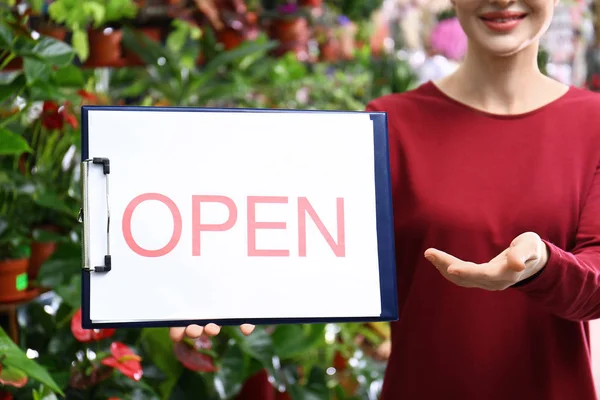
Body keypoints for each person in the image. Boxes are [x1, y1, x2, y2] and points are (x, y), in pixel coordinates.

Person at [171, 0, 600, 398]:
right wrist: (219, 291)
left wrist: (543, 265)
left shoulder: (593, 125)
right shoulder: (388, 124)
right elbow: (306, 250)